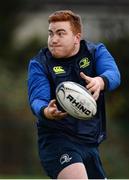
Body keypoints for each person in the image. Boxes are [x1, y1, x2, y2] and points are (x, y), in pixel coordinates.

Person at [27, 10, 121, 179]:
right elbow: (37, 99)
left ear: (77, 37)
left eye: (60, 33)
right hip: (57, 140)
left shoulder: (95, 52)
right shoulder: (40, 63)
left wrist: (100, 81)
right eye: (51, 33)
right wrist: (46, 111)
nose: (53, 40)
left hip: (89, 142)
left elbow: (113, 74)